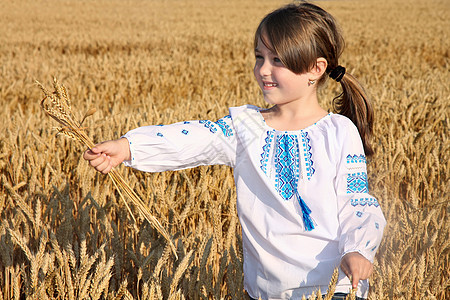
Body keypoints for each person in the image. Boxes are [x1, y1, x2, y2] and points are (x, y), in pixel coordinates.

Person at [83, 2, 386, 299]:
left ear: (315, 69)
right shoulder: (250, 127)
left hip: (334, 287)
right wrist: (129, 147)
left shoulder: (337, 131)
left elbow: (356, 199)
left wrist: (358, 249)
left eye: (277, 60)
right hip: (266, 290)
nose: (263, 70)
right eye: (259, 57)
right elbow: (196, 138)